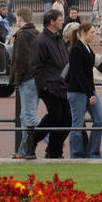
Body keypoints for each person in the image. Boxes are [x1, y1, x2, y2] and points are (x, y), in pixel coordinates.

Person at [30, 9, 71, 160]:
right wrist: (44, 86)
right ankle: (32, 140)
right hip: (49, 86)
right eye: (60, 19)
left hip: (61, 85)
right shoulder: (40, 41)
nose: (62, 21)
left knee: (67, 119)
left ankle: (54, 150)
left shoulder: (58, 39)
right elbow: (35, 66)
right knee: (55, 115)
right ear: (52, 22)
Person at [67, 19, 102, 159]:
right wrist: (90, 94)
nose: (94, 35)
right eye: (92, 32)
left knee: (99, 120)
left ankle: (92, 152)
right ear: (83, 33)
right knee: (77, 124)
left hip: (88, 89)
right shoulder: (76, 49)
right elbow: (78, 74)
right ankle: (76, 154)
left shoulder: (87, 47)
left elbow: (93, 65)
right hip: (77, 91)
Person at [11, 8, 41, 159]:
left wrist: (15, 78)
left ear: (20, 18)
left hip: (27, 79)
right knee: (25, 117)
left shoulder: (22, 35)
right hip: (36, 78)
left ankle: (54, 135)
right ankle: (22, 151)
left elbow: (20, 60)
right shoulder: (36, 34)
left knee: (30, 117)